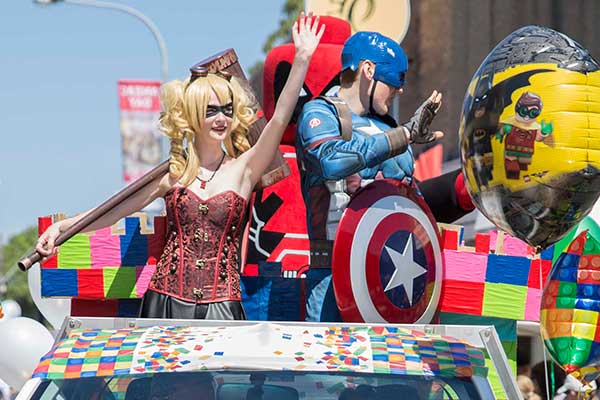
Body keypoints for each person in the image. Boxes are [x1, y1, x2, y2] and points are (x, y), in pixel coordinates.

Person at [36, 13, 325, 320]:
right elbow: (113, 211)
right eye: (210, 110)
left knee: (220, 369)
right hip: (165, 303)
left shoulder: (245, 169)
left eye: (227, 110)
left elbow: (279, 118)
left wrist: (303, 58)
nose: (221, 119)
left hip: (222, 304)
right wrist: (61, 228)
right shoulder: (173, 172)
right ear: (192, 115)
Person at [295, 31, 474, 322]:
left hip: (394, 279)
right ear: (368, 70)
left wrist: (467, 187)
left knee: (391, 367)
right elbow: (329, 159)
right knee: (330, 367)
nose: (400, 89)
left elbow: (410, 206)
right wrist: (403, 135)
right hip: (333, 278)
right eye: (396, 79)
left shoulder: (389, 127)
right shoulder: (321, 112)